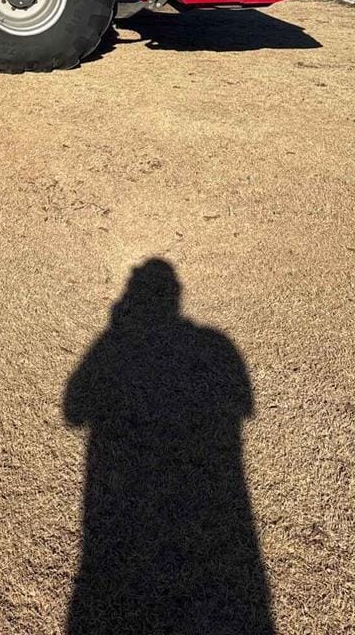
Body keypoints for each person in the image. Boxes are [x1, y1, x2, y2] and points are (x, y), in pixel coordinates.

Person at [64, 259, 275, 634]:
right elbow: (241, 404)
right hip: (211, 511)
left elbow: (75, 409)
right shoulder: (215, 346)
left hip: (121, 509)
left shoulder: (117, 345)